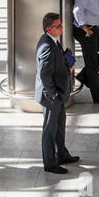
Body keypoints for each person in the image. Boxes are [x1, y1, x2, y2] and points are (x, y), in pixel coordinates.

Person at [35, 12, 80, 174]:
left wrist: (67, 64)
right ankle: (50, 163)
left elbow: (56, 61)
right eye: (58, 26)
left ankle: (61, 154)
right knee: (49, 130)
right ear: (49, 29)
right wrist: (53, 93)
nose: (62, 28)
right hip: (51, 97)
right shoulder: (46, 46)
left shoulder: (53, 41)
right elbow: (44, 74)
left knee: (59, 126)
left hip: (58, 94)